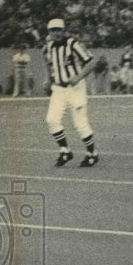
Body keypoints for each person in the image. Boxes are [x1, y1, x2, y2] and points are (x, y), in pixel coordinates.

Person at [41, 18, 99, 167]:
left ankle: (92, 153)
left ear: (63, 30)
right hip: (59, 89)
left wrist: (79, 76)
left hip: (75, 88)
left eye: (58, 30)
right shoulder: (48, 47)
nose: (56, 33)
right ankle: (65, 151)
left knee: (80, 123)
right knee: (52, 120)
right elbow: (49, 65)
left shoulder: (72, 44)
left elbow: (91, 62)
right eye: (53, 30)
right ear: (49, 32)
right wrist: (48, 79)